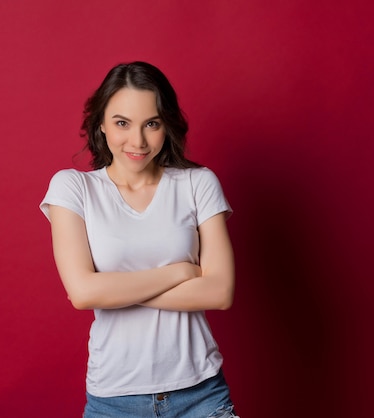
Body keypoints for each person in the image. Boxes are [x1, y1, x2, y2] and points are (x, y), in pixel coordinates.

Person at [40, 61, 239, 418]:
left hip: (200, 395)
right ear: (101, 123)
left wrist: (111, 290)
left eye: (152, 124)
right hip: (114, 401)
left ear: (166, 126)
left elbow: (219, 292)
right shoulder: (74, 188)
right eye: (122, 123)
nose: (138, 141)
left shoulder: (198, 183)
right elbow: (84, 294)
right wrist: (180, 272)